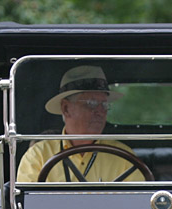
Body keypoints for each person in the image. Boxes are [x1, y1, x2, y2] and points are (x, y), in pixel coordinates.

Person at [16, 65, 146, 183]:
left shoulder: (124, 156)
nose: (100, 111)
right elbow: (27, 204)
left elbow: (138, 205)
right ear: (66, 108)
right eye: (91, 103)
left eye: (105, 104)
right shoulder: (38, 155)